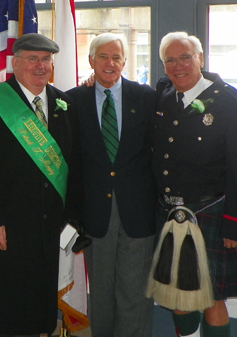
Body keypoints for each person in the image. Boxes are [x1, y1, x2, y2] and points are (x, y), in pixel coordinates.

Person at [0, 33, 83, 337]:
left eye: (46, 59)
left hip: (45, 229)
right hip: (3, 226)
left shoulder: (64, 104)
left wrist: (70, 221)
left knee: (35, 311)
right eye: (32, 59)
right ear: (15, 63)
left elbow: (74, 166)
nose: (40, 66)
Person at [149, 31, 237, 337]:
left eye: (185, 57)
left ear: (200, 58)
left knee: (211, 299)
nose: (178, 65)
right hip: (168, 213)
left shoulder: (234, 105)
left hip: (209, 213)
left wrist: (235, 226)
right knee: (177, 296)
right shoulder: (163, 94)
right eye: (169, 60)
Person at [67, 33, 157, 337]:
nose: (110, 63)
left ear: (125, 61)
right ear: (90, 61)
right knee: (101, 293)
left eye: (116, 57)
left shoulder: (146, 97)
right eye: (103, 57)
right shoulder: (72, 100)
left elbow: (182, 87)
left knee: (135, 293)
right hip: (95, 213)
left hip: (139, 213)